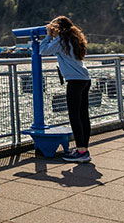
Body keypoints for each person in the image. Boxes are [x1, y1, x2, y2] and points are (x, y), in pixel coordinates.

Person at [39, 16, 91, 163]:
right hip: (85, 79)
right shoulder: (74, 38)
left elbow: (43, 51)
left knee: (75, 116)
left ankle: (81, 152)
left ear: (59, 29)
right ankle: (83, 149)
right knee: (83, 116)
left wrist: (48, 36)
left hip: (75, 81)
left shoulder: (61, 40)